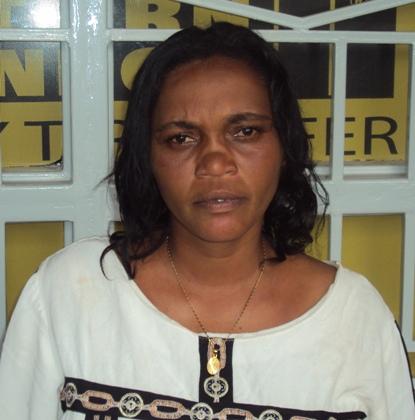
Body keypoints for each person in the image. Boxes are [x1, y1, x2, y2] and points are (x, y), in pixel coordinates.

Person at [0, 22, 413, 420]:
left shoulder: (357, 319)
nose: (215, 163)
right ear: (148, 158)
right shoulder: (68, 294)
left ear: (284, 148)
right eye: (181, 138)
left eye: (245, 131)